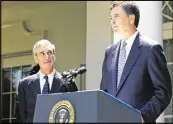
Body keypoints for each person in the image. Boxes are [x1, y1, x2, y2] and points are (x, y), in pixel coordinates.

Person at [100, 1, 172, 123]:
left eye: (116, 16)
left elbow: (163, 91)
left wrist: (143, 117)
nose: (112, 21)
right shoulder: (109, 53)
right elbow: (104, 92)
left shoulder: (150, 49)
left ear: (131, 18)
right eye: (111, 17)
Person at [17, 39, 78, 123]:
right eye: (42, 53)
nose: (47, 57)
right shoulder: (24, 85)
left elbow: (75, 111)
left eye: (50, 52)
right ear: (36, 58)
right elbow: (21, 117)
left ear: (54, 55)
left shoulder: (67, 81)